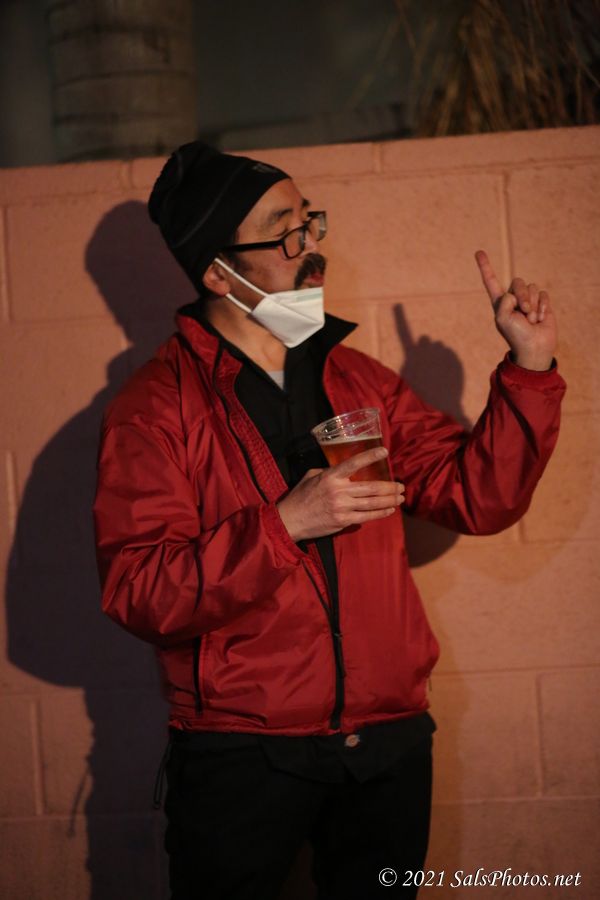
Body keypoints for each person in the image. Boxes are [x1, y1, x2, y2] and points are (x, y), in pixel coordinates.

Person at [93, 142, 565, 900]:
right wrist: (284, 524)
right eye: (284, 233)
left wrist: (530, 369)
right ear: (218, 274)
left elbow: (478, 497)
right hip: (241, 754)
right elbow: (140, 590)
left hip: (386, 745)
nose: (312, 246)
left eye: (310, 221)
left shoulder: (358, 378)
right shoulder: (153, 409)